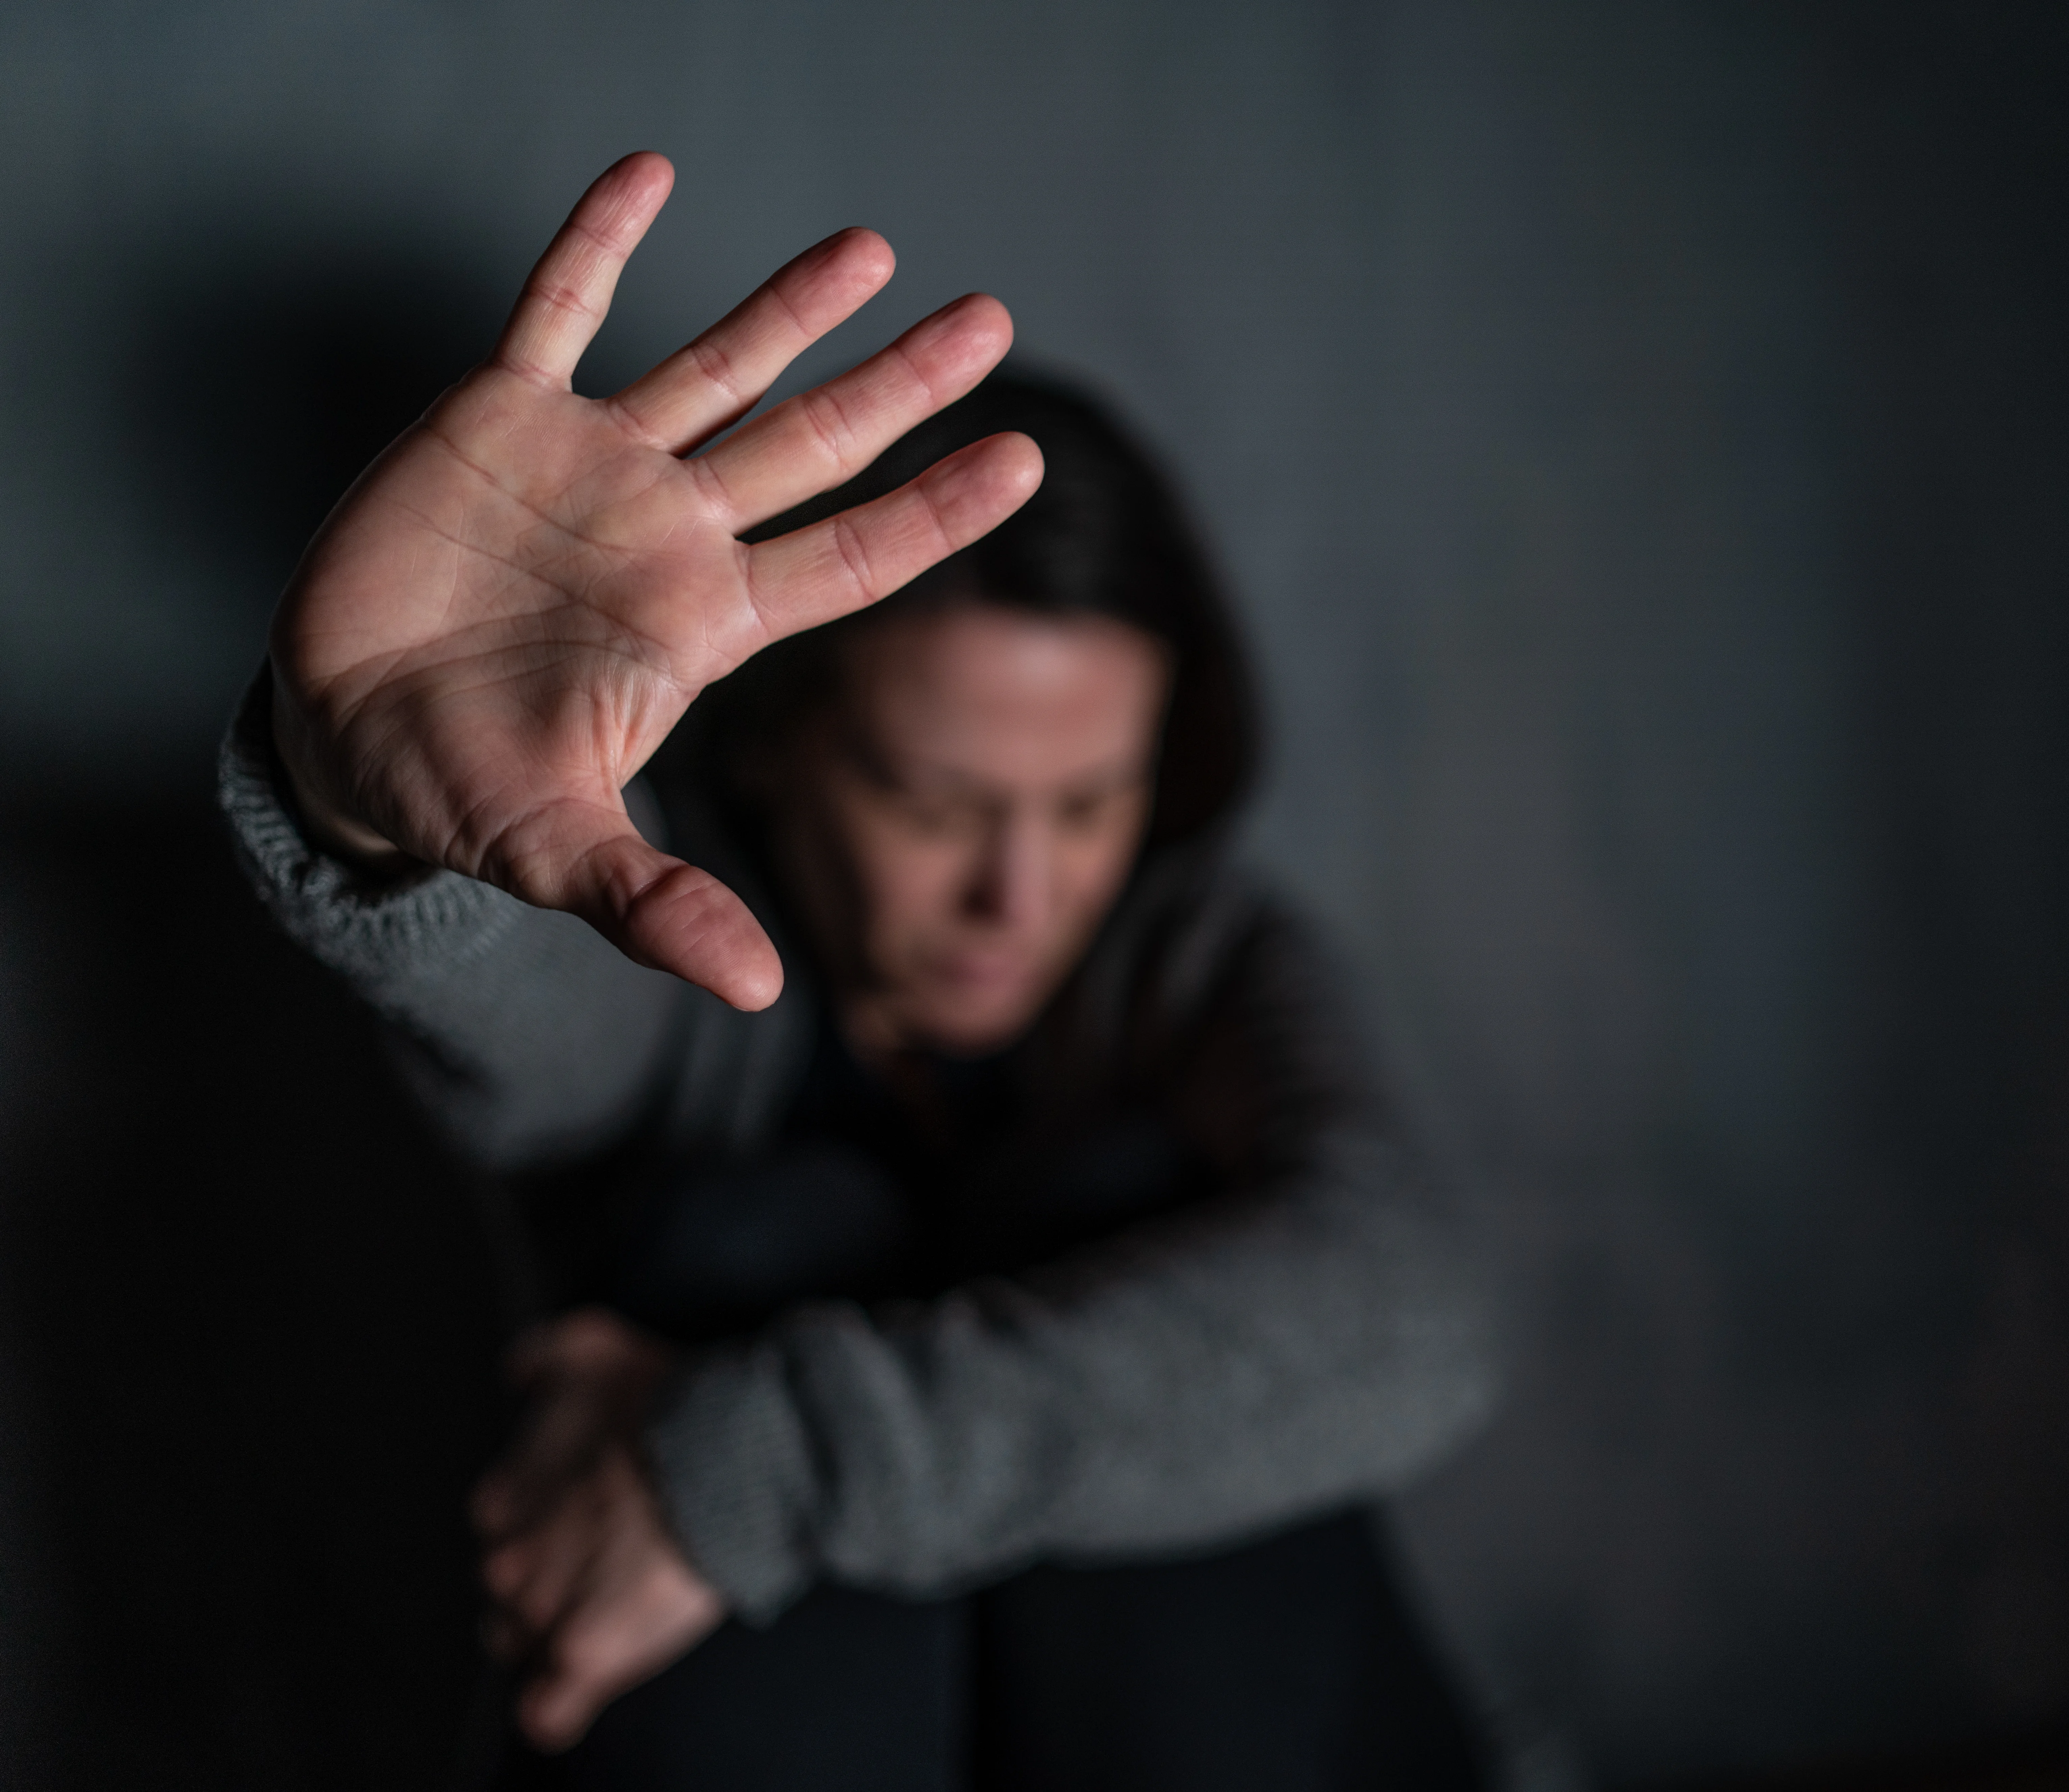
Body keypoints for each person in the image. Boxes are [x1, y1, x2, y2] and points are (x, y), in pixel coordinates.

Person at [218, 153, 1498, 1790]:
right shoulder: (675, 930)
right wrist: (377, 810)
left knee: (1120, 1210)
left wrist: (738, 1469)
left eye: (1089, 804)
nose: (1013, 896)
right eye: (932, 800)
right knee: (768, 1237)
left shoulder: (1196, 961)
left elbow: (1407, 1312)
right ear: (780, 751)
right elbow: (530, 1010)